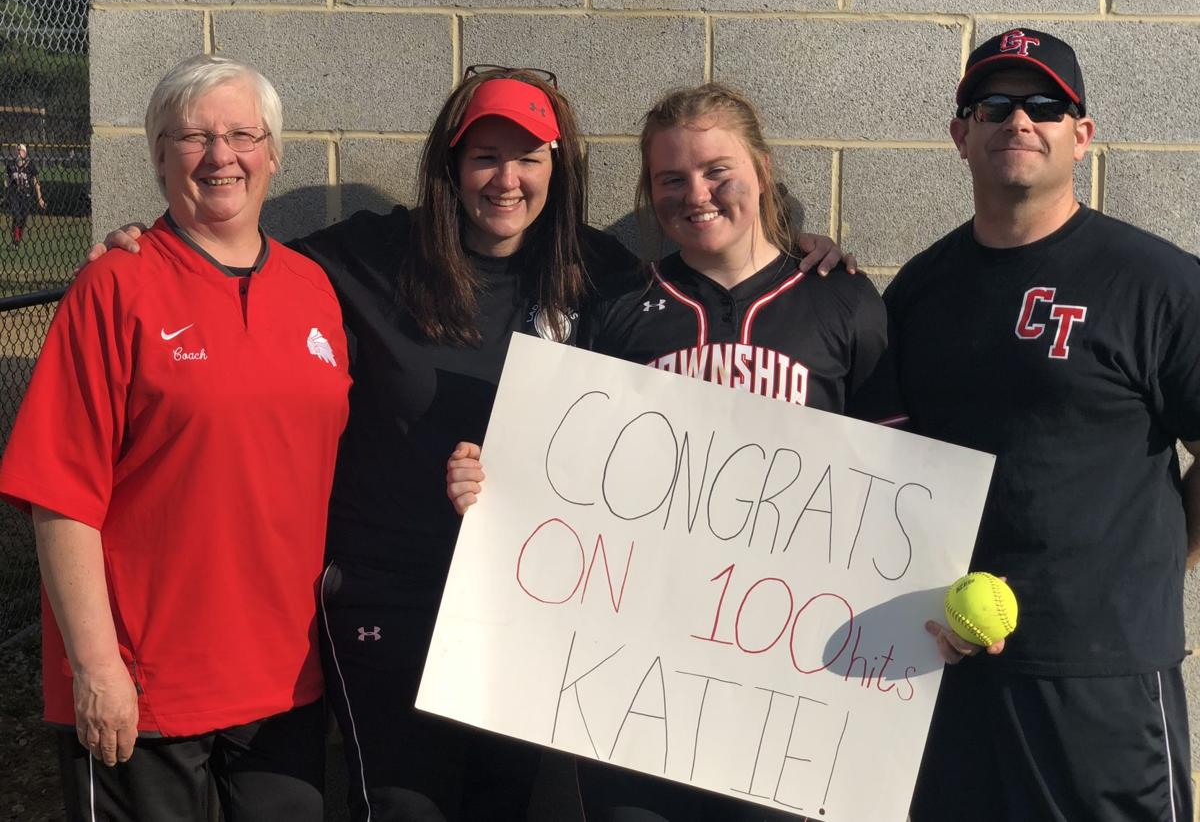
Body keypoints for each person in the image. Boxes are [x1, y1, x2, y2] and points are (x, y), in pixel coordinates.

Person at [92, 67, 852, 821]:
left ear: (559, 166)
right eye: (485, 156)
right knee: (403, 808)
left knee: (499, 806)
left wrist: (803, 251)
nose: (507, 178)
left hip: (524, 606)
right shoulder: (369, 256)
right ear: (451, 167)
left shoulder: (601, 277)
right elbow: (236, 250)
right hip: (390, 600)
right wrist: (151, 245)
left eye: (528, 157)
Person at [447, 82, 903, 821]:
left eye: (718, 170)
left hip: (790, 684)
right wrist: (492, 483)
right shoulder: (618, 308)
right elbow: (565, 476)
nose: (697, 193)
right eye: (671, 179)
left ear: (760, 169)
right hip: (642, 684)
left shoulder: (842, 301)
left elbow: (896, 494)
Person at [0, 54, 351, 820]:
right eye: (191, 137)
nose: (220, 155)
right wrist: (96, 667)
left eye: (241, 135)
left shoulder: (313, 290)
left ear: (273, 153)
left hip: (284, 679)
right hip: (145, 683)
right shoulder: (114, 287)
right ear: (159, 157)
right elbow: (60, 494)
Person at [886, 29, 1199, 821]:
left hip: (1102, 676)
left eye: (1045, 105)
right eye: (991, 105)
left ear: (1081, 136)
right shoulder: (920, 289)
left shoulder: (1158, 282)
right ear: (961, 134)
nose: (1017, 120)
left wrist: (1164, 561)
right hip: (946, 661)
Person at [5, 142, 46, 246]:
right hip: (14, 194)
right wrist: (7, 188)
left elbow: (36, 182)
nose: (18, 152)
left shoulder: (30, 165)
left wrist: (40, 198)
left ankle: (16, 239)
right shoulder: (11, 164)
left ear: (25, 153)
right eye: (17, 150)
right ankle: (16, 239)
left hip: (26, 195)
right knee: (17, 215)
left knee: (23, 218)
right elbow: (7, 179)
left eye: (21, 150)